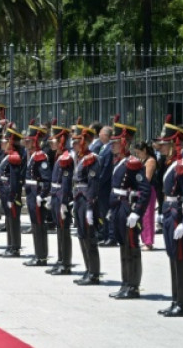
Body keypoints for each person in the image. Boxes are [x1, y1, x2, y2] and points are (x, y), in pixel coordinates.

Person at [154, 117, 183, 317]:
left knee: (180, 257)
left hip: (178, 214)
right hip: (169, 212)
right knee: (172, 257)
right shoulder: (168, 163)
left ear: (172, 145)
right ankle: (175, 299)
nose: (160, 147)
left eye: (164, 144)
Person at [106, 119, 150, 300]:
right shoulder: (119, 162)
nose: (113, 146)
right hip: (118, 208)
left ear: (124, 143)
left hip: (127, 209)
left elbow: (145, 189)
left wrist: (136, 212)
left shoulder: (132, 163)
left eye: (116, 142)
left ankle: (133, 286)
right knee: (123, 247)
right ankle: (125, 283)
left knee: (132, 247)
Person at [71, 120, 103, 286]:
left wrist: (90, 206)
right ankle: (88, 269)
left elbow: (93, 185)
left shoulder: (92, 159)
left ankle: (94, 273)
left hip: (86, 201)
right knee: (82, 235)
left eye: (76, 142)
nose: (74, 145)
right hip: (78, 199)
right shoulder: (80, 158)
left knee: (90, 237)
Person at [47, 121, 74, 275]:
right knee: (59, 229)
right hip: (56, 195)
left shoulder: (66, 158)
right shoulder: (59, 156)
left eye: (54, 141)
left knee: (64, 230)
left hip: (61, 197)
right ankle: (60, 259)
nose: (51, 144)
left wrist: (64, 202)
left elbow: (66, 182)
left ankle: (66, 263)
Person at [23, 121, 50, 267]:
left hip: (37, 193)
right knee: (35, 224)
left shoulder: (41, 156)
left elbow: (46, 180)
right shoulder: (32, 155)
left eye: (29, 141)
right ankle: (38, 255)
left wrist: (42, 195)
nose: (26, 143)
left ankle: (41, 257)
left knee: (39, 224)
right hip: (31, 193)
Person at [0, 124, 26, 258]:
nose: (2, 143)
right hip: (5, 192)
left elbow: (14, 179)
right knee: (9, 220)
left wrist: (12, 196)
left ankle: (15, 248)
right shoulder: (7, 155)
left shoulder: (14, 156)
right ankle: (10, 246)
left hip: (11, 193)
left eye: (4, 141)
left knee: (14, 221)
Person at [133, 141, 159, 251]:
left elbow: (147, 178)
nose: (137, 155)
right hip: (141, 190)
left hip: (148, 190)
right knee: (142, 215)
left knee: (147, 216)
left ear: (144, 150)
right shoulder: (143, 160)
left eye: (139, 152)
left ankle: (148, 242)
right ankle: (144, 239)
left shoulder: (150, 161)